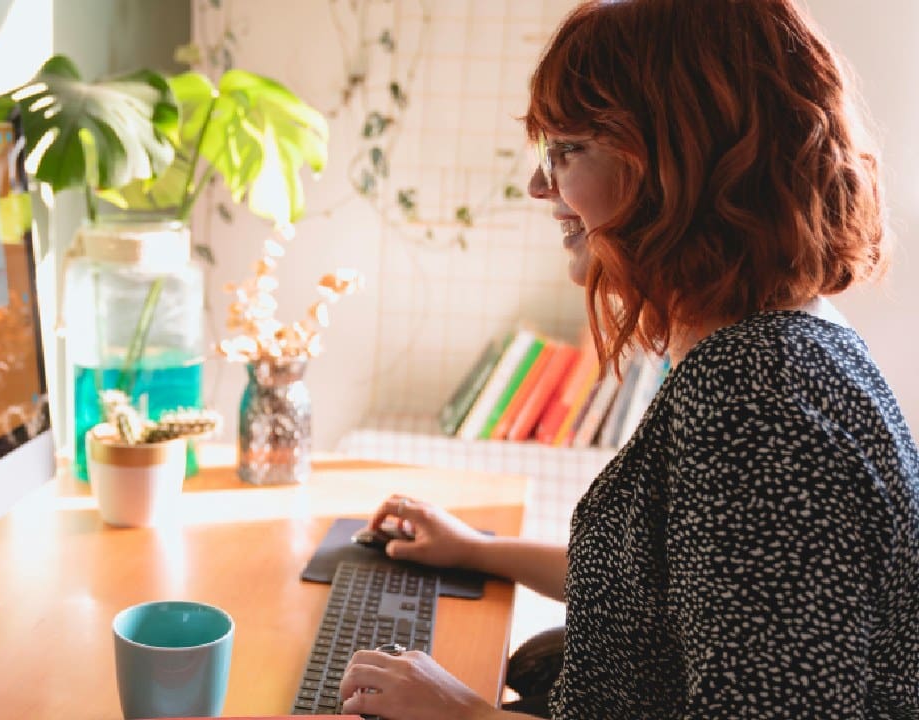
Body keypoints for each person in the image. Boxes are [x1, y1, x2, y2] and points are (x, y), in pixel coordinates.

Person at [339, 1, 919, 718]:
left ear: (678, 162)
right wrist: (478, 550)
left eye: (568, 150)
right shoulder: (778, 345)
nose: (540, 187)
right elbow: (667, 584)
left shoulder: (761, 404)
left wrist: (460, 711)